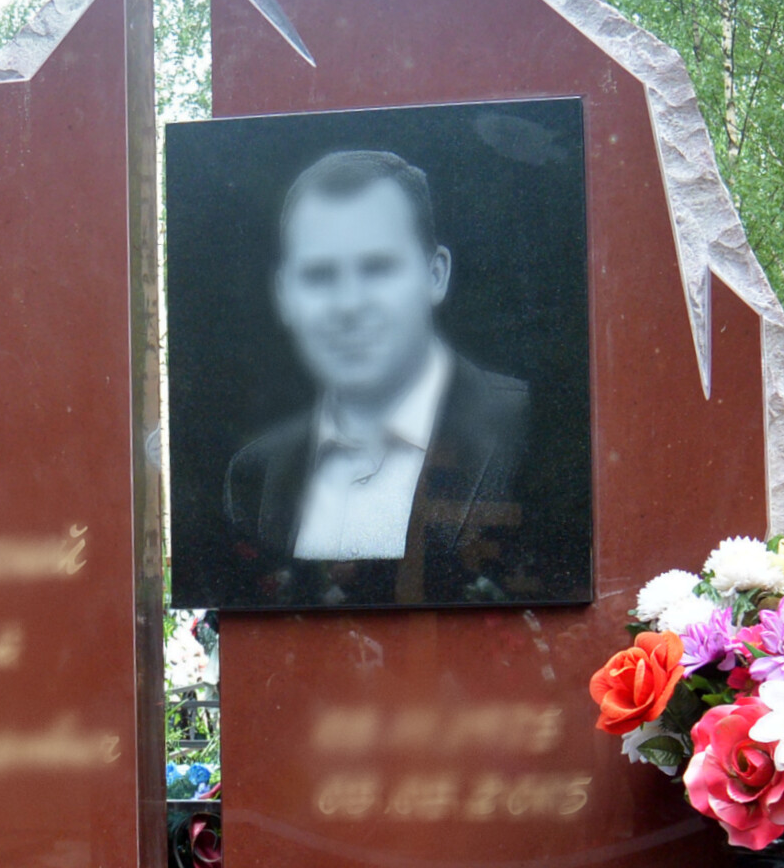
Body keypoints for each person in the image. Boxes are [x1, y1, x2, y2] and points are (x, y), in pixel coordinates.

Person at [223, 149, 550, 608]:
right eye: (319, 275)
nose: (349, 304)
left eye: (378, 267)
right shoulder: (254, 476)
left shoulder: (534, 428)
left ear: (435, 274)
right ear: (286, 295)